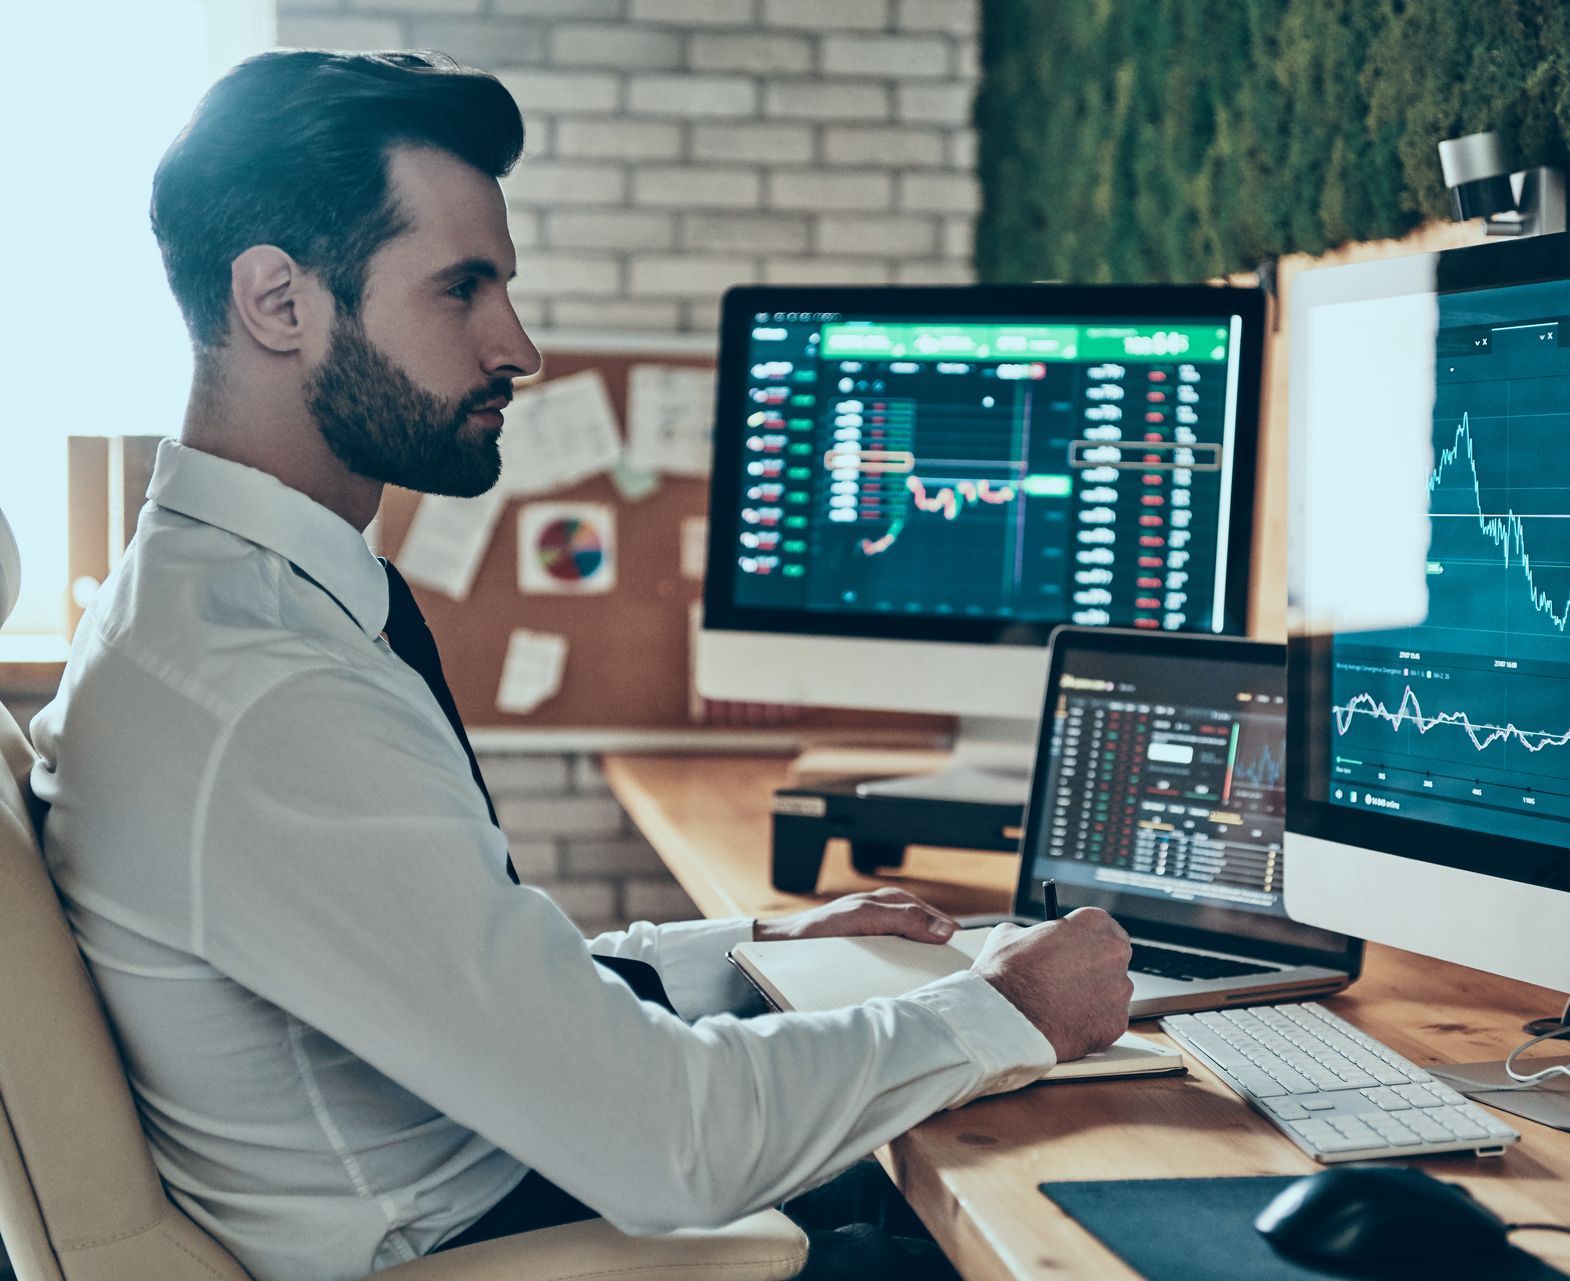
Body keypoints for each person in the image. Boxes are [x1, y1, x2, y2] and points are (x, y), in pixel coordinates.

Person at [28, 50, 1133, 1281]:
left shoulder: (208, 612)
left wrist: (754, 945)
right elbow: (665, 1143)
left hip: (501, 1171)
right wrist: (1012, 1009)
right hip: (509, 1236)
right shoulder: (266, 693)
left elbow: (460, 976)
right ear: (278, 302)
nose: (521, 346)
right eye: (463, 290)